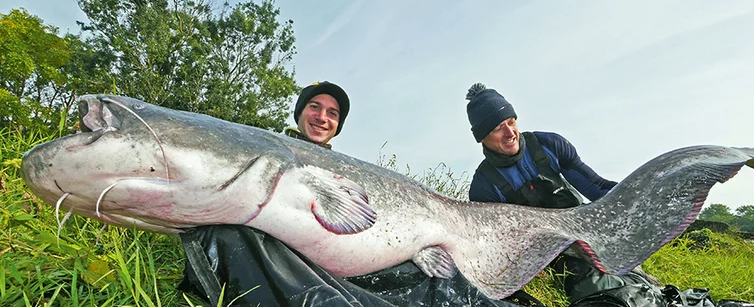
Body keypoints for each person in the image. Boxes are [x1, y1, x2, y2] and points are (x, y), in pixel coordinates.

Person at [179, 81, 517, 307]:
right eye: (314, 107)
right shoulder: (265, 150)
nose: (322, 117)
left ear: (338, 125)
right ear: (300, 113)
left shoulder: (351, 170)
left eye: (333, 113)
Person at [464, 83, 656, 306]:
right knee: (601, 292)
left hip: (586, 231)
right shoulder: (483, 187)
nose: (510, 133)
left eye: (511, 122)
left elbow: (597, 187)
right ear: (482, 137)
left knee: (639, 283)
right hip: (551, 255)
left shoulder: (549, 144)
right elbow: (500, 247)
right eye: (498, 128)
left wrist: (638, 198)